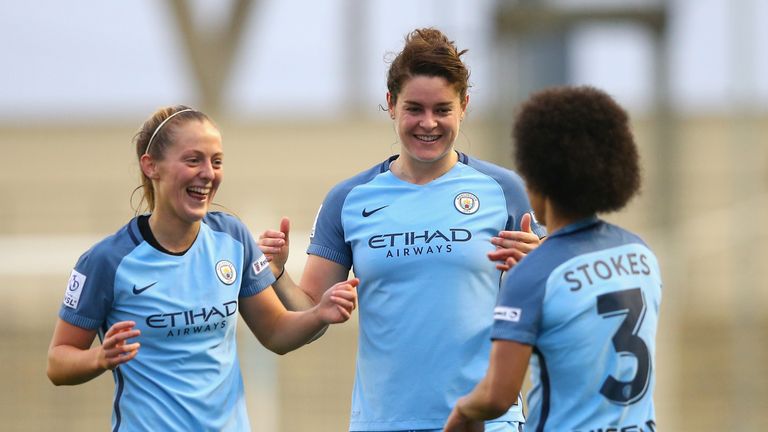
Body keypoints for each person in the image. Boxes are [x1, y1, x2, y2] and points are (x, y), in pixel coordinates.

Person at [257, 28, 545, 432]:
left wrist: (541, 266)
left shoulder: (504, 190)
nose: (428, 123)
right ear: (391, 105)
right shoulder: (349, 199)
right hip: (384, 423)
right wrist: (276, 274)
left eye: (442, 109)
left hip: (487, 422)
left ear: (464, 105)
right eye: (414, 108)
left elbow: (557, 306)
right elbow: (312, 314)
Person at [46, 105, 359, 431]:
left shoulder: (232, 238)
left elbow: (276, 332)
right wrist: (98, 358)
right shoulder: (107, 261)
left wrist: (318, 312)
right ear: (151, 166)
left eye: (216, 161)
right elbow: (58, 362)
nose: (208, 173)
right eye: (193, 160)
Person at [443, 86, 662, 432]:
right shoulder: (640, 254)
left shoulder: (533, 275)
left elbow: (498, 395)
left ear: (537, 179)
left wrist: (463, 411)